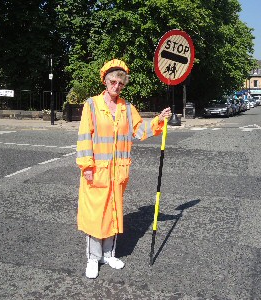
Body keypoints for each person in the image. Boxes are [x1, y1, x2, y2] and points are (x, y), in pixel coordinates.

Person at [76, 59, 172, 279]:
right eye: (113, 81)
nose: (116, 86)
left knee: (113, 212)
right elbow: (83, 138)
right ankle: (93, 258)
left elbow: (140, 130)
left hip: (118, 172)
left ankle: (109, 254)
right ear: (105, 80)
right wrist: (86, 166)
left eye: (120, 83)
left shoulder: (127, 108)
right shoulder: (91, 104)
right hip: (96, 171)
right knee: (95, 215)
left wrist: (159, 119)